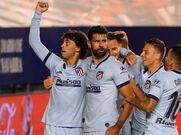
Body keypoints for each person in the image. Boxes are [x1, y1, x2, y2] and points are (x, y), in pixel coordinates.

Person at [29, 2, 89, 135]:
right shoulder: (54, 63)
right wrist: (38, 14)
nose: (62, 46)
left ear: (78, 48)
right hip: (52, 126)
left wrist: (126, 52)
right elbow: (34, 42)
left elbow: (105, 55)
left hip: (77, 127)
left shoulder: (87, 66)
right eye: (62, 42)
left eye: (67, 43)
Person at [125, 44, 181, 135]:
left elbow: (148, 107)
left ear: (171, 61)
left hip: (155, 130)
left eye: (168, 56)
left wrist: (130, 99)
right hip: (172, 131)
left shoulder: (162, 77)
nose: (166, 58)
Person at [82, 25, 134, 135]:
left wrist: (117, 127)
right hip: (85, 128)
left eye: (104, 41)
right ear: (89, 43)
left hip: (106, 129)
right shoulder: (85, 64)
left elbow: (130, 99)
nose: (101, 45)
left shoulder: (115, 66)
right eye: (97, 41)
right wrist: (53, 79)